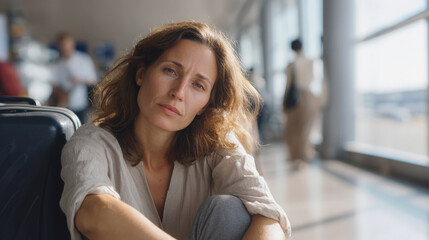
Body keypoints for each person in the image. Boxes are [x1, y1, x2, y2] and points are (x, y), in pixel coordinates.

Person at [60, 21, 291, 240]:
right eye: (170, 71)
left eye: (198, 85)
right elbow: (93, 212)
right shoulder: (92, 141)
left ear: (205, 106)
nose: (178, 92)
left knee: (228, 211)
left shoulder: (216, 145)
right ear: (141, 74)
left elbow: (270, 216)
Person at [283, 39, 323, 169]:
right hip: (310, 97)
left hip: (295, 98)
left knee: (293, 129)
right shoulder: (311, 62)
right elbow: (316, 80)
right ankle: (304, 157)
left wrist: (284, 102)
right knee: (306, 129)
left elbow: (288, 85)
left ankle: (295, 157)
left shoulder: (291, 64)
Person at [51, 32, 97, 123]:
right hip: (64, 106)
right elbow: (54, 85)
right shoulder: (56, 64)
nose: (65, 47)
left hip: (80, 104)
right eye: (62, 45)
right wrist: (61, 95)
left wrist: (79, 80)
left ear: (72, 44)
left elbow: (94, 80)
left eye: (66, 44)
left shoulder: (83, 60)